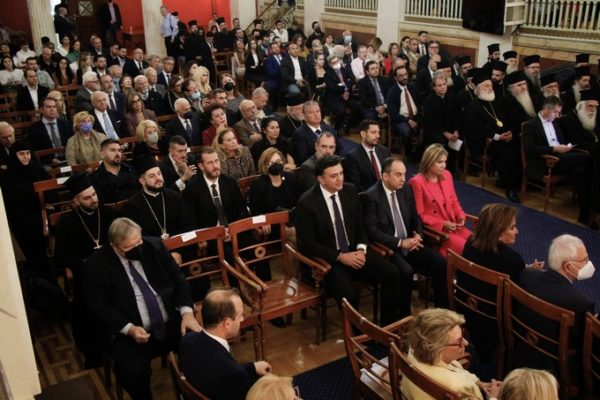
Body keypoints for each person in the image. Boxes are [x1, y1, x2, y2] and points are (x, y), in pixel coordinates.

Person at [82, 217, 201, 400]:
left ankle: (194, 392)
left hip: (169, 320)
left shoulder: (154, 246)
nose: (137, 248)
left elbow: (178, 279)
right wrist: (129, 329)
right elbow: (99, 306)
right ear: (114, 245)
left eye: (139, 242)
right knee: (132, 374)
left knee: (201, 346)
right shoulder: (96, 265)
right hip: (131, 329)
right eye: (130, 247)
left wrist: (187, 313)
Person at [295, 155, 403, 325]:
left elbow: (360, 226)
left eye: (341, 173)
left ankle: (388, 328)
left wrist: (361, 249)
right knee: (349, 296)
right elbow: (308, 245)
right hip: (331, 260)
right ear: (321, 179)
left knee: (393, 273)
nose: (340, 179)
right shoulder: (306, 203)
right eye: (334, 176)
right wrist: (340, 257)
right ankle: (358, 336)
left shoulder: (350, 191)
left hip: (356, 252)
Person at [363, 157, 448, 318]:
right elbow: (372, 232)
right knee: (406, 271)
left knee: (440, 262)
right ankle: (404, 318)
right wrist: (401, 242)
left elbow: (415, 217)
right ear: (385, 176)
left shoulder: (406, 189)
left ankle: (443, 312)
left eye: (404, 174)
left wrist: (418, 234)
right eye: (398, 175)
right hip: (389, 247)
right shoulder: (371, 196)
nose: (403, 178)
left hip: (411, 243)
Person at [55, 173, 117, 368]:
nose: (94, 200)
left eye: (94, 194)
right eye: (87, 198)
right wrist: (84, 264)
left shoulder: (109, 214)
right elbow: (61, 257)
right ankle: (95, 353)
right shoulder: (66, 223)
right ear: (76, 201)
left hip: (113, 270)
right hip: (85, 275)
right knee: (85, 308)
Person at [517, 234, 595, 382]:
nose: (588, 263)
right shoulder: (580, 303)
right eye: (584, 260)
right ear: (568, 266)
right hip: (553, 366)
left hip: (521, 345)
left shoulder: (527, 275)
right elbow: (583, 345)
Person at [179, 288, 271, 400]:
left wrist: (252, 367)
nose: (242, 319)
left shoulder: (188, 340)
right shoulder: (235, 376)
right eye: (240, 315)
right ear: (227, 323)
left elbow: (215, 372)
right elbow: (228, 373)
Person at [401, 308, 501, 400]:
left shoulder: (413, 351)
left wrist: (478, 383)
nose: (466, 343)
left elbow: (454, 370)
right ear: (438, 350)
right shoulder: (458, 390)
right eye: (459, 341)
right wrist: (493, 397)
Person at [523, 95, 592, 224]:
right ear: (546, 109)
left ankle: (585, 212)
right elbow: (530, 149)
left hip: (561, 158)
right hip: (547, 162)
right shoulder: (531, 125)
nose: (558, 115)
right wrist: (554, 149)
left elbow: (560, 141)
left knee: (581, 171)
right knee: (588, 158)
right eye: (556, 112)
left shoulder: (555, 122)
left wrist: (566, 147)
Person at [464, 71, 520, 202]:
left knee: (518, 147)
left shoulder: (493, 103)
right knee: (506, 152)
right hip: (482, 142)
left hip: (499, 139)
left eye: (491, 86)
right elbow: (476, 129)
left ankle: (508, 180)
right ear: (478, 89)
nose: (490, 88)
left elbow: (503, 121)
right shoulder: (472, 107)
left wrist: (508, 133)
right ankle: (511, 188)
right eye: (486, 86)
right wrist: (497, 137)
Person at [0, 141, 52, 281]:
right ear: (14, 155)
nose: (26, 157)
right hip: (22, 219)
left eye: (28, 153)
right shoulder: (7, 175)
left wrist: (43, 200)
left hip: (40, 214)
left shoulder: (37, 168)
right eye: (21, 154)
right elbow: (12, 200)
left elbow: (49, 189)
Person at [409, 144, 472, 256]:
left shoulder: (447, 175)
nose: (444, 165)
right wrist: (443, 224)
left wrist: (461, 216)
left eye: (445, 161)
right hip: (438, 232)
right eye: (440, 162)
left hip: (454, 226)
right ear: (429, 162)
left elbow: (454, 202)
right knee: (467, 250)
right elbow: (419, 215)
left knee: (477, 243)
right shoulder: (417, 182)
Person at [122, 152, 195, 243]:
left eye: (159, 174)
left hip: (180, 246)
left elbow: (188, 224)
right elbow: (137, 237)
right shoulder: (132, 206)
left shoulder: (175, 197)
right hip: (151, 250)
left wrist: (176, 245)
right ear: (142, 181)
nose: (158, 178)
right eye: (152, 176)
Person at [249, 147, 298, 235]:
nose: (276, 165)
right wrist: (263, 221)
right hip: (271, 223)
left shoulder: (290, 177)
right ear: (264, 165)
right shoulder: (257, 184)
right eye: (271, 163)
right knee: (293, 232)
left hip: (292, 218)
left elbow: (299, 201)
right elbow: (255, 211)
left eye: (279, 161)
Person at [422, 72, 460, 174]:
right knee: (442, 142)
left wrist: (456, 131)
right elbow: (430, 121)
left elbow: (457, 115)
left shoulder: (452, 96)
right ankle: (440, 169)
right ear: (434, 87)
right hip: (435, 130)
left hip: (451, 129)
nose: (443, 87)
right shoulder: (429, 101)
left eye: (444, 84)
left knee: (458, 140)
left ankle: (452, 168)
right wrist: (445, 133)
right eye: (439, 85)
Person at [343, 119, 389, 192]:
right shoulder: (352, 157)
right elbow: (356, 186)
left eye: (378, 132)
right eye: (373, 132)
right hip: (368, 195)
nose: (378, 136)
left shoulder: (384, 151)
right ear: (363, 134)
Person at [386, 65, 422, 157]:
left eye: (405, 74)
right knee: (406, 132)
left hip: (416, 116)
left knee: (429, 127)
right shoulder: (392, 93)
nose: (405, 77)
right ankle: (409, 154)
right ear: (395, 78)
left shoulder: (413, 87)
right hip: (401, 119)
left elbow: (420, 103)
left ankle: (421, 152)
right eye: (401, 76)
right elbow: (393, 114)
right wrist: (407, 120)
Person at [90, 138, 138, 204]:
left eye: (119, 150)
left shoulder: (130, 170)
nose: (117, 153)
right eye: (113, 150)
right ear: (102, 154)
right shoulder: (95, 178)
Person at [292, 100, 336, 165]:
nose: (316, 115)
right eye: (311, 113)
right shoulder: (299, 134)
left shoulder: (330, 129)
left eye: (318, 111)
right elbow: (302, 159)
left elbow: (339, 149)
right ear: (304, 116)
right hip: (314, 166)